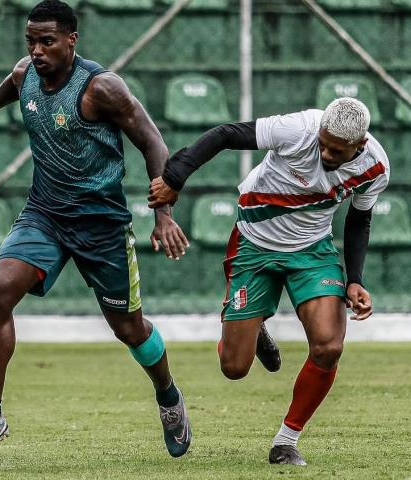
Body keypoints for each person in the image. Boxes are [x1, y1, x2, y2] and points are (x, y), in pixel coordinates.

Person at [0, 0, 191, 465]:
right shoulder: (26, 73)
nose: (37, 51)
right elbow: (13, 84)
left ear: (71, 40)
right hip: (44, 215)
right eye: (30, 41)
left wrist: (163, 211)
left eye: (47, 41)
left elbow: (152, 141)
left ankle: (168, 395)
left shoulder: (102, 88)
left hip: (102, 226)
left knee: (129, 329)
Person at [148, 97, 389, 465]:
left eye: (335, 150)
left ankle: (286, 440)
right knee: (234, 367)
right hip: (254, 244)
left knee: (329, 346)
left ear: (360, 145)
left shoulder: (375, 167)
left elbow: (359, 220)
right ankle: (251, 326)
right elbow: (226, 134)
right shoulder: (298, 128)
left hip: (312, 251)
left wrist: (355, 279)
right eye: (322, 142)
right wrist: (173, 177)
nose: (323, 153)